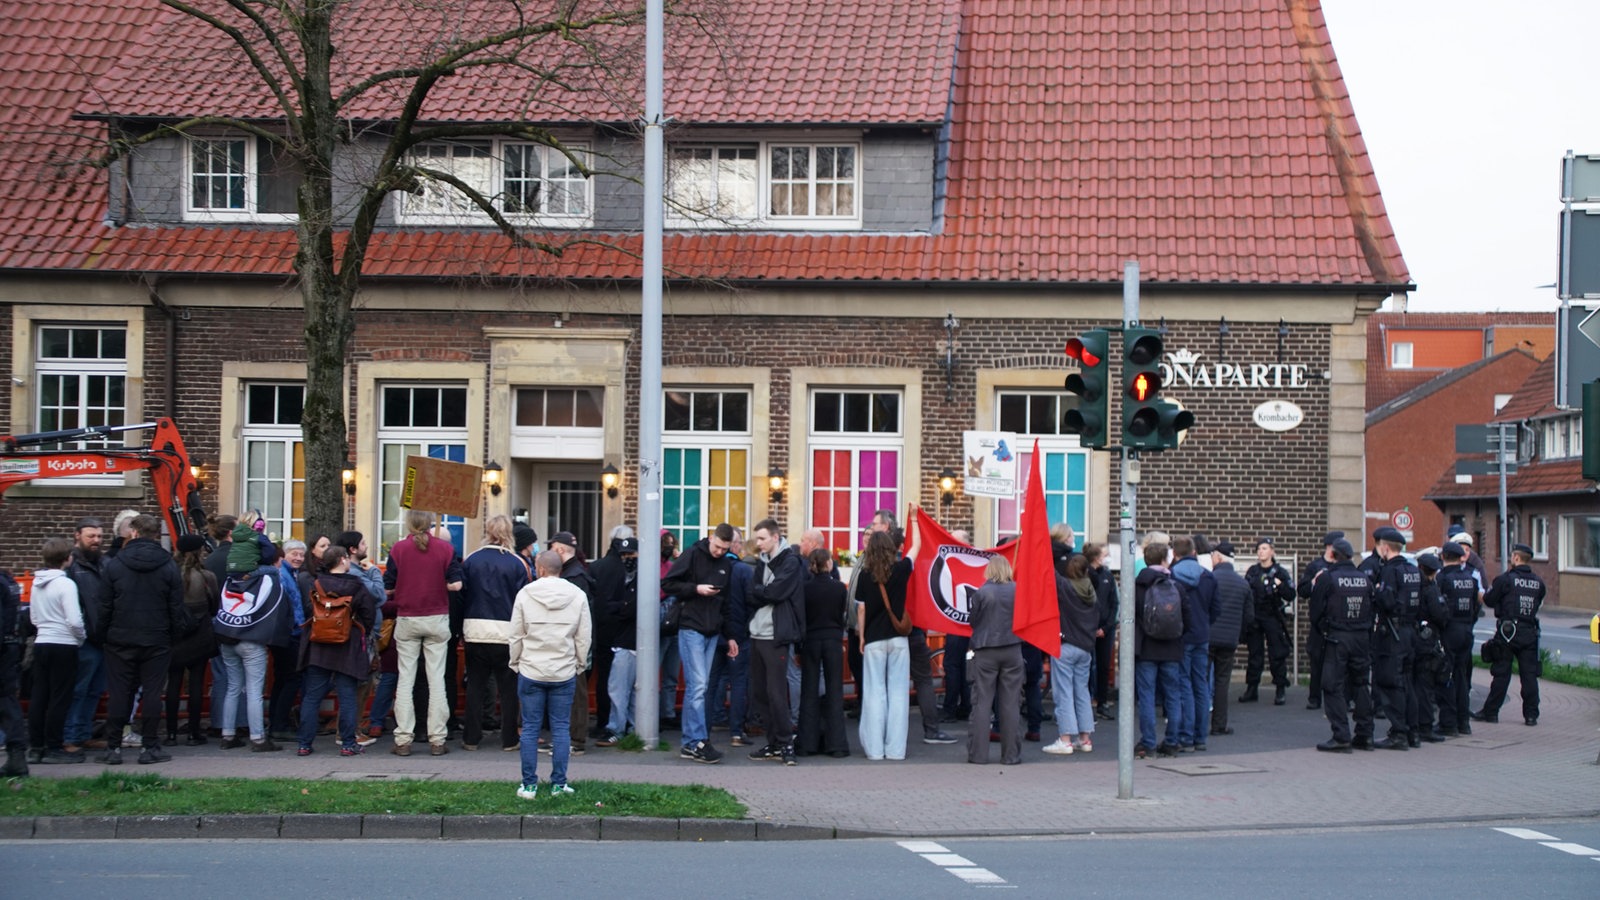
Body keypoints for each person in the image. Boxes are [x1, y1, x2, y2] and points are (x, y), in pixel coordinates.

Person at [97, 514, 191, 765]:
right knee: (152, 693)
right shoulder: (168, 565)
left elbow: (104, 605)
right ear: (154, 535)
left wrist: (102, 634)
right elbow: (176, 606)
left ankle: (113, 747)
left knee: (119, 693)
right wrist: (173, 635)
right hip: (156, 638)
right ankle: (150, 747)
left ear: (134, 533)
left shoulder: (116, 565)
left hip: (120, 638)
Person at [510, 550, 592, 800]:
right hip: (563, 670)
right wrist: (578, 664)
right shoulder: (577, 595)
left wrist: (516, 662)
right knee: (561, 728)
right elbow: (583, 636)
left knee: (531, 729)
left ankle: (529, 785)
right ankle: (559, 784)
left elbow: (515, 634)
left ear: (540, 568)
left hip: (531, 669)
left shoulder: (525, 594)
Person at [385, 510, 464, 757]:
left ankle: (403, 738)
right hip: (437, 617)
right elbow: (457, 585)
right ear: (430, 525)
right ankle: (438, 739)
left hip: (408, 617)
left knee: (406, 679)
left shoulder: (398, 549)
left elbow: (388, 587)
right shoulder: (445, 549)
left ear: (409, 524)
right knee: (437, 679)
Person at [660, 523, 737, 764]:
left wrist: (730, 635)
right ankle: (696, 741)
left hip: (712, 630)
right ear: (711, 538)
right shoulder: (693, 553)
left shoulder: (726, 563)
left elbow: (726, 603)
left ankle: (692, 741)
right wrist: (696, 589)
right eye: (717, 547)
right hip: (691, 626)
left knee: (699, 687)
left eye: (724, 549)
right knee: (699, 685)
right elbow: (668, 584)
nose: (719, 552)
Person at [213, 521, 293, 753]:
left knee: (233, 687)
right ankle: (258, 738)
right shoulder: (267, 579)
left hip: (227, 637)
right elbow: (277, 607)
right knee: (254, 691)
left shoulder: (230, 579)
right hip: (252, 639)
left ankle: (228, 735)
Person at [295, 545, 379, 756]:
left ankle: (305, 744)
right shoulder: (357, 586)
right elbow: (369, 615)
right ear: (342, 560)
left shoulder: (316, 584)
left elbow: (307, 610)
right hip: (347, 646)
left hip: (318, 646)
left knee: (312, 696)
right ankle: (348, 744)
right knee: (348, 695)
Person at [460, 516, 532, 752]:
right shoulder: (517, 562)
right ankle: (509, 738)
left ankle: (471, 737)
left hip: (475, 629)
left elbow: (463, 594)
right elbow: (524, 600)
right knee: (509, 689)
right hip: (506, 632)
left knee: (476, 686)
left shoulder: (471, 559)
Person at [745, 518, 805, 765]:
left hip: (776, 635)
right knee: (760, 692)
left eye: (761, 539)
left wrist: (762, 592)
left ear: (775, 538)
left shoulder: (790, 561)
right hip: (757, 633)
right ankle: (773, 743)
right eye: (757, 539)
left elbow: (775, 592)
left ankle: (786, 743)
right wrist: (763, 593)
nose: (757, 544)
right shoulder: (763, 562)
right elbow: (753, 592)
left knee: (776, 691)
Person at [1311, 538, 1375, 752]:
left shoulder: (1328, 578)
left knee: (1332, 685)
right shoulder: (1364, 579)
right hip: (1361, 637)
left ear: (1333, 555)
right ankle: (1365, 734)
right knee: (1360, 684)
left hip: (1337, 637)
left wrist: (1324, 629)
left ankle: (1341, 735)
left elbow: (1316, 611)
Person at [1473, 543, 1545, 726]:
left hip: (1507, 633)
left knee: (1501, 674)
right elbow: (1538, 603)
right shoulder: (1539, 582)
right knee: (1529, 676)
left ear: (1516, 558)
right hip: (1529, 632)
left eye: (1512, 556)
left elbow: (1489, 600)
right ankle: (1531, 716)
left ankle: (1491, 712)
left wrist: (1479, 593)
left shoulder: (1506, 580)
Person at [856, 528, 912, 761]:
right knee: (899, 693)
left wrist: (861, 637)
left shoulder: (865, 575)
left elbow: (861, 608)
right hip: (899, 639)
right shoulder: (901, 569)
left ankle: (875, 750)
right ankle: (896, 750)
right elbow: (915, 550)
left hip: (874, 639)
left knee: (874, 693)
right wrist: (916, 521)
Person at [28, 538, 85, 764]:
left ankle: (36, 746)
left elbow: (33, 617)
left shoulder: (36, 583)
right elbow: (74, 620)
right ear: (67, 558)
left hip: (42, 642)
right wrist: (80, 638)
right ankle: (54, 746)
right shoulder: (66, 584)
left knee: (39, 696)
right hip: (64, 644)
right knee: (60, 698)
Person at [966, 554, 1024, 765]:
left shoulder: (982, 592)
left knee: (982, 703)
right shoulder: (1018, 590)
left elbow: (973, 621)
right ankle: (1011, 755)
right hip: (1013, 648)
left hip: (985, 649)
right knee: (1010, 704)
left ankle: (978, 755)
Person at [1133, 541, 1187, 758]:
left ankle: (1148, 742)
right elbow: (1188, 618)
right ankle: (1172, 741)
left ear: (1146, 560)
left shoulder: (1137, 586)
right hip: (1172, 648)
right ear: (1166, 560)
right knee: (1173, 695)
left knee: (1146, 696)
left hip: (1146, 649)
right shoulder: (1176, 586)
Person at [164, 533, 218, 746]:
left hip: (175, 635)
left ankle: (170, 734)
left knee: (173, 683)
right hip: (200, 634)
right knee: (197, 684)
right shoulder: (207, 577)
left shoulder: (169, 575)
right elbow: (215, 608)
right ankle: (194, 732)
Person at [1370, 526, 1420, 749]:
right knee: (1408, 683)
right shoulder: (1412, 570)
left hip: (1393, 633)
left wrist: (1378, 592)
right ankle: (1412, 731)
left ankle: (1398, 733)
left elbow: (1387, 601)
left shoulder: (1390, 571)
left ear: (1385, 548)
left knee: (1391, 682)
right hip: (1410, 632)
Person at [64, 518, 110, 753]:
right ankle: (70, 736)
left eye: (100, 537)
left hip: (102, 638)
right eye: (91, 536)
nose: (96, 541)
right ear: (77, 536)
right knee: (78, 689)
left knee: (94, 690)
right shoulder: (72, 566)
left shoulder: (104, 563)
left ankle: (83, 734)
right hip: (83, 639)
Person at [547, 531, 595, 756]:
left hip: (572, 644)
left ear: (560, 549)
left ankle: (576, 740)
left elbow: (579, 617)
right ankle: (571, 739)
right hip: (574, 643)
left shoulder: (574, 577)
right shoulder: (577, 573)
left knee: (576, 693)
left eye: (552, 547)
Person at [797, 548, 849, 757]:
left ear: (811, 565)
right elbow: (841, 615)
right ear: (829, 563)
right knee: (835, 690)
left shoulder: (805, 588)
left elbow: (802, 616)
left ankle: (807, 744)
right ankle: (836, 745)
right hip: (833, 639)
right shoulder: (839, 588)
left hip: (811, 639)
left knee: (808, 690)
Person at [1044, 552, 1097, 755]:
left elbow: (1051, 574)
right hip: (1085, 648)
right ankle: (1085, 739)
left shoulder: (1065, 588)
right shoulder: (1092, 592)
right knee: (1082, 692)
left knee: (1064, 693)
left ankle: (1065, 740)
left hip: (1065, 646)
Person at [594, 533, 640, 745]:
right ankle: (627, 728)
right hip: (620, 639)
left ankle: (617, 729)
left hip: (628, 641)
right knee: (622, 688)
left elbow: (627, 609)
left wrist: (618, 607)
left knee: (619, 687)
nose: (627, 558)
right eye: (624, 554)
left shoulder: (639, 581)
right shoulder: (626, 578)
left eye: (631, 553)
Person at [1171, 535, 1216, 750]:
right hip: (1202, 635)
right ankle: (1200, 737)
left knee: (1183, 684)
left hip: (1182, 635)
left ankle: (1186, 735)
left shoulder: (1173, 577)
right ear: (1194, 552)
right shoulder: (1208, 577)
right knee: (1201, 684)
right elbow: (1216, 609)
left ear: (1174, 554)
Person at [1206, 540, 1253, 737]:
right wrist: (1239, 636)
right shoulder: (1243, 584)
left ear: (1217, 557)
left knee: (1200, 680)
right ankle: (1219, 724)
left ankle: (1198, 725)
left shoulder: (1208, 579)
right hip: (1229, 640)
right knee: (1222, 682)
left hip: (1207, 638)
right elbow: (1249, 617)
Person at [1434, 542, 1480, 736]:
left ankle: (1448, 723)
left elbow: (1437, 607)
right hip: (1466, 630)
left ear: (1444, 556)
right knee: (1462, 677)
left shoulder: (1442, 578)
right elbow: (1476, 608)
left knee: (1445, 676)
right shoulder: (1470, 579)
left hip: (1449, 631)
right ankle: (1463, 722)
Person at [1241, 538, 1294, 705]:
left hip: (1272, 616)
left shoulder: (1280, 572)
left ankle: (1280, 689)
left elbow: (1291, 594)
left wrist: (1280, 585)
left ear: (1272, 551)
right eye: (1258, 549)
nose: (1261, 552)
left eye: (1264, 548)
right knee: (1254, 654)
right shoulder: (1252, 572)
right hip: (1255, 617)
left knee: (1277, 653)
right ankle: (1252, 688)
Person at [1297, 532, 1342, 710]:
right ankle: (1314, 697)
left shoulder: (1342, 566)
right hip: (1319, 622)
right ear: (1329, 547)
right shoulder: (1315, 566)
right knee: (1316, 660)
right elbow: (1302, 590)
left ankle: (1337, 696)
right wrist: (1314, 582)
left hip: (1337, 621)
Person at [1085, 542, 1119, 721]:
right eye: (1104, 554)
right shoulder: (1084, 575)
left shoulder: (1108, 576)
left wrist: (1106, 627)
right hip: (1088, 629)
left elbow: (1114, 603)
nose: (1107, 557)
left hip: (1105, 629)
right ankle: (1088, 702)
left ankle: (1102, 702)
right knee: (1089, 667)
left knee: (1104, 666)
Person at [0, 564, 25, 776]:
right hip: (9, 649)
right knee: (7, 703)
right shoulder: (8, 582)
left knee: (7, 704)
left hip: (3, 651)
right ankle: (17, 757)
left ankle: (17, 758)